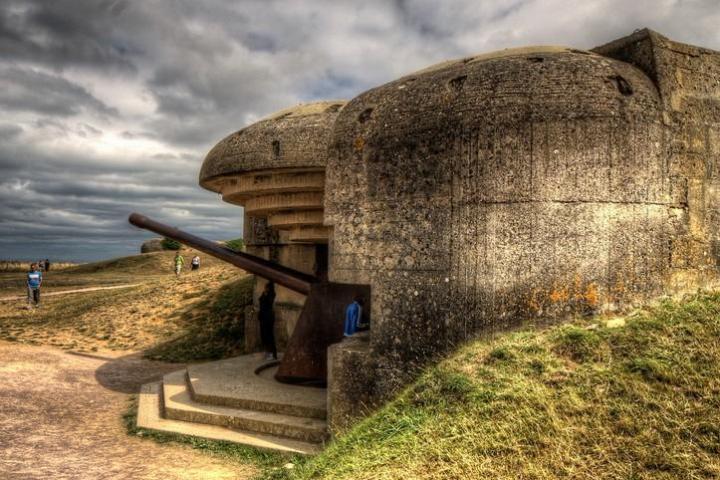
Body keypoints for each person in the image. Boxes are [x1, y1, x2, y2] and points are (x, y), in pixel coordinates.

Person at [258, 282, 277, 360]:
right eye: (265, 287)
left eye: (266, 287)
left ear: (269, 288)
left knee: (269, 335)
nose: (265, 288)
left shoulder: (271, 295)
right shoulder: (264, 294)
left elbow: (269, 303)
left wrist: (265, 295)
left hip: (268, 318)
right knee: (264, 335)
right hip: (263, 317)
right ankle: (267, 352)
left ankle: (273, 354)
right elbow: (261, 302)